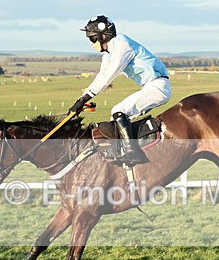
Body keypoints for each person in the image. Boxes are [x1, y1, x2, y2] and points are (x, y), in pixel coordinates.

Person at [68, 15, 171, 165]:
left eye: (92, 38)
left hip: (158, 86)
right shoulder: (109, 54)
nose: (91, 43)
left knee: (118, 111)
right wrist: (80, 100)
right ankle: (129, 149)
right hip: (152, 85)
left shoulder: (123, 45)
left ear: (102, 36)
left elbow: (108, 77)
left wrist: (84, 99)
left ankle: (133, 153)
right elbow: (101, 77)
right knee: (114, 119)